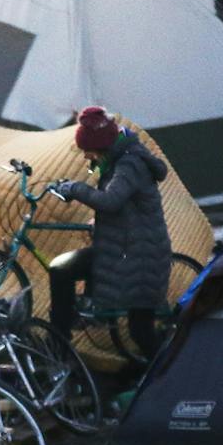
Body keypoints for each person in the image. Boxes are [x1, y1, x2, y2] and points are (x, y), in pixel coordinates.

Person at [47, 107, 172, 358]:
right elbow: (125, 204)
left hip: (139, 258)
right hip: (121, 249)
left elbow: (111, 200)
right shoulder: (117, 159)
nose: (85, 157)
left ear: (101, 146)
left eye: (87, 151)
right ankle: (60, 340)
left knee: (141, 332)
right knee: (61, 268)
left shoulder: (130, 163)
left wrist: (76, 189)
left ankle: (168, 377)